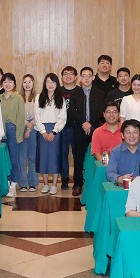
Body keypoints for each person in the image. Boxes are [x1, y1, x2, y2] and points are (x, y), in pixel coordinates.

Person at [66, 67, 103, 195]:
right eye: (84, 76)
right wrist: (83, 123)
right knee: (78, 157)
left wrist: (90, 123)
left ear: (93, 77)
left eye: (89, 76)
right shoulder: (75, 93)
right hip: (79, 129)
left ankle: (94, 183)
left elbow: (100, 110)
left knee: (96, 156)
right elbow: (72, 111)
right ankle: (78, 184)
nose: (86, 78)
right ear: (80, 78)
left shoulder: (99, 93)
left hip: (95, 129)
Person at [34, 72, 68, 194]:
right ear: (45, 83)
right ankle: (45, 184)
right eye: (48, 82)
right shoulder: (39, 97)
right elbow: (37, 116)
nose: (50, 84)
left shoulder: (61, 98)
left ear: (57, 84)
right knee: (43, 157)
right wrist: (43, 131)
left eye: (53, 82)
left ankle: (54, 185)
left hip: (55, 131)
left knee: (54, 157)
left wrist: (54, 131)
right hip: (41, 130)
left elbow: (62, 117)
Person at [0, 72, 27, 198]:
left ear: (14, 84)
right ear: (2, 84)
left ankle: (13, 184)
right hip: (1, 131)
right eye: (5, 81)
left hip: (13, 129)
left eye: (10, 82)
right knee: (4, 159)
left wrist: (19, 135)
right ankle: (6, 182)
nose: (8, 84)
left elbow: (20, 118)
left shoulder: (18, 98)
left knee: (14, 159)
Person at [105, 119, 140, 184]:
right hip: (123, 187)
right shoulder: (116, 151)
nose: (131, 136)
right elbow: (110, 173)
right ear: (122, 135)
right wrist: (120, 179)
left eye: (135, 132)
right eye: (128, 132)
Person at [57, 66, 79, 190]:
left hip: (77, 128)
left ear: (75, 77)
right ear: (62, 77)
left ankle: (77, 180)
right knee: (62, 155)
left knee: (78, 156)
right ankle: (64, 179)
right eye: (65, 73)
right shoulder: (58, 91)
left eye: (71, 73)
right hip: (61, 128)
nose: (68, 76)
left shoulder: (80, 91)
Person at [21, 74, 39, 191]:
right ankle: (22, 182)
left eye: (29, 82)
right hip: (21, 129)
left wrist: (30, 127)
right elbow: (17, 114)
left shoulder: (37, 98)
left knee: (33, 157)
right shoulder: (18, 98)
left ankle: (33, 182)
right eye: (25, 82)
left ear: (33, 84)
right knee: (22, 157)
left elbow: (39, 114)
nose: (27, 84)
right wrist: (26, 124)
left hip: (34, 128)